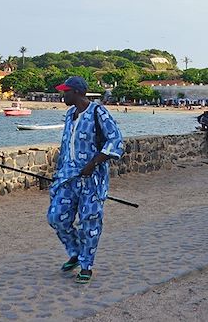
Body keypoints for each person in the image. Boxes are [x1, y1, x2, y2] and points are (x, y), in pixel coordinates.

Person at [47, 76, 124, 284]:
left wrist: (91, 165)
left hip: (91, 180)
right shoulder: (70, 114)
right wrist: (58, 172)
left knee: (89, 222)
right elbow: (65, 147)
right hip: (67, 178)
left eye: (66, 91)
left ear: (78, 93)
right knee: (56, 217)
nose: (63, 95)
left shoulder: (98, 113)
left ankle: (86, 265)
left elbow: (116, 141)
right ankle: (75, 252)